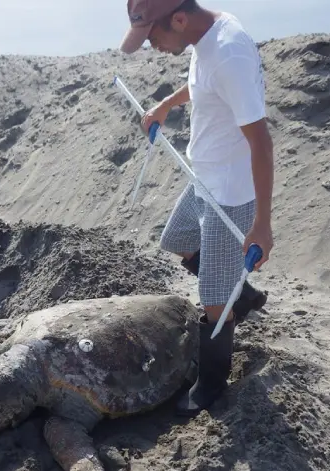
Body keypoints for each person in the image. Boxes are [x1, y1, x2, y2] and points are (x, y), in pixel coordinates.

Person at [119, 0, 275, 415]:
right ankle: (241, 299)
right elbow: (204, 84)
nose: (152, 46)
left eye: (152, 36)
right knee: (178, 239)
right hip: (202, 179)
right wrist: (167, 104)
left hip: (229, 193)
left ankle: (211, 385)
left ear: (180, 19)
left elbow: (261, 142)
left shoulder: (229, 53)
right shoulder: (207, 38)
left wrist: (262, 223)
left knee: (210, 298)